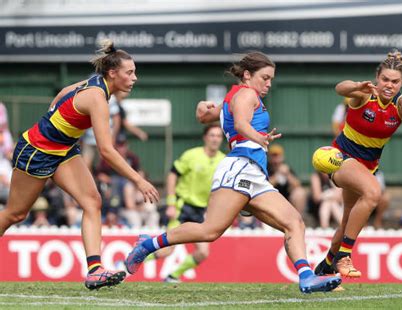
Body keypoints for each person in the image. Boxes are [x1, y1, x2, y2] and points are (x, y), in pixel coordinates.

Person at [124, 52, 341, 293]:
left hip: (253, 172)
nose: (269, 84)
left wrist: (201, 107)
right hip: (240, 167)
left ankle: (306, 277)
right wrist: (258, 136)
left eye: (271, 79)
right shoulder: (247, 94)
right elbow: (240, 124)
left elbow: (204, 116)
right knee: (209, 231)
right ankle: (147, 244)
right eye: (265, 78)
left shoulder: (234, 96)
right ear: (247, 75)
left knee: (294, 223)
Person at [0, 40, 159, 290]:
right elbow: (106, 150)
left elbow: (64, 91)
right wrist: (138, 179)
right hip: (37, 151)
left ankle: (95, 270)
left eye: (134, 72)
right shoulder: (98, 98)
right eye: (130, 72)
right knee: (16, 214)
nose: (134, 78)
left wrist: (54, 117)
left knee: (92, 202)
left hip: (63, 148)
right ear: (112, 73)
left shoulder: (95, 84)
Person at [314, 49, 402, 279]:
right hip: (339, 158)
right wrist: (356, 85)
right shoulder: (364, 94)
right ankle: (344, 256)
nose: (389, 85)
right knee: (373, 192)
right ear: (377, 77)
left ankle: (325, 266)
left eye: (395, 81)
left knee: (346, 224)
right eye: (385, 79)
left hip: (365, 167)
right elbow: (339, 88)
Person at [152, 123, 225, 283]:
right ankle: (128, 263)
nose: (215, 139)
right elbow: (172, 176)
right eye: (212, 135)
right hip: (182, 207)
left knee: (203, 252)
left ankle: (173, 276)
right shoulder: (191, 155)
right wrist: (171, 203)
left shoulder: (223, 161)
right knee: (168, 249)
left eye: (218, 136)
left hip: (199, 212)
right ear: (205, 138)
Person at [331, 97, 391, 229]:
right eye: (347, 107)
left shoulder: (369, 116)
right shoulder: (344, 122)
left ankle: (375, 224)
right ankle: (350, 232)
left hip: (368, 164)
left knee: (378, 194)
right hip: (347, 161)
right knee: (346, 213)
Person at [267, 144, 307, 215]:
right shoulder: (267, 168)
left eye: (278, 156)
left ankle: (298, 219)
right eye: (273, 156)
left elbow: (297, 185)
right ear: (270, 157)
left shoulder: (287, 168)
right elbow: (266, 185)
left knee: (300, 193)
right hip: (272, 199)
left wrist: (288, 175)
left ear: (282, 157)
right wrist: (277, 175)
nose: (276, 159)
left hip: (287, 199)